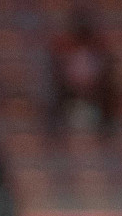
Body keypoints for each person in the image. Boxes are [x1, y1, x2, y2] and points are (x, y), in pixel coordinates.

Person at [47, 10, 118, 139]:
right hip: (69, 93)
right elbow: (60, 73)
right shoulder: (64, 49)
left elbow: (104, 72)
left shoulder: (98, 48)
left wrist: (90, 84)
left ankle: (105, 134)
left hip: (95, 94)